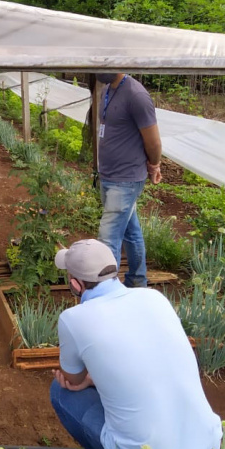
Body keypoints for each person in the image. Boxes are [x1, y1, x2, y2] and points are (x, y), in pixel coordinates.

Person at [50, 239, 222, 449]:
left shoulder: (73, 318)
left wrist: (87, 379)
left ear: (76, 284)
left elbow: (72, 379)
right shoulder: (155, 298)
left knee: (61, 392)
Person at [95, 73, 162, 288]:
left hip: (126, 178)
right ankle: (137, 281)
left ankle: (108, 293)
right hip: (109, 174)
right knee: (130, 232)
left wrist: (154, 165)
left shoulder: (136, 95)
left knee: (108, 238)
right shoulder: (107, 89)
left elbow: (153, 141)